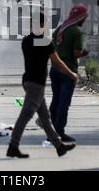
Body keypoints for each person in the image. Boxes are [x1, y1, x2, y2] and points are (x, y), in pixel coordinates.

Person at [7, 12, 78, 159]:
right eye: (44, 23)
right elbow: (57, 62)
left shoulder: (26, 41)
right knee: (25, 115)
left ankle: (59, 146)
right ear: (40, 25)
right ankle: (13, 146)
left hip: (28, 81)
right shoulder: (45, 42)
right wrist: (71, 74)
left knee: (45, 118)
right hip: (36, 83)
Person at [45, 4, 89, 142]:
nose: (85, 20)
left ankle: (51, 131)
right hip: (68, 71)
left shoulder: (60, 28)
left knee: (56, 100)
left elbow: (54, 46)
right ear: (80, 17)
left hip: (55, 69)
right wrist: (84, 52)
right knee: (64, 102)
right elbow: (76, 54)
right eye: (85, 17)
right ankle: (59, 132)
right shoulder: (76, 32)